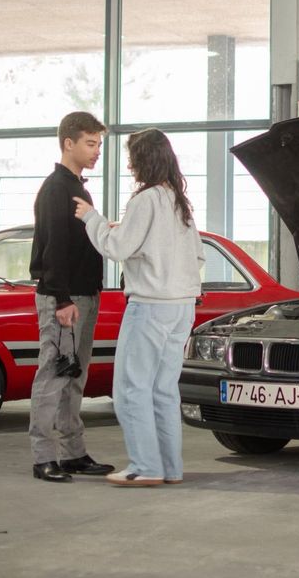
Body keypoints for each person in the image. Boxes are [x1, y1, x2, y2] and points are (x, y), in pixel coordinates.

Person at [74, 128, 204, 487]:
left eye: (132, 156)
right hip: (182, 308)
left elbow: (117, 248)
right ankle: (169, 468)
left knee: (131, 388)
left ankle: (144, 467)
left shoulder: (144, 201)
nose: (129, 163)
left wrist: (92, 218)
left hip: (149, 306)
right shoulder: (179, 202)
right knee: (164, 390)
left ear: (141, 160)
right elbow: (197, 254)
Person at [28, 111, 114, 483]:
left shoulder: (80, 188)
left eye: (98, 144)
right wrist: (62, 300)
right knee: (53, 376)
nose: (97, 152)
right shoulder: (56, 189)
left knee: (74, 376)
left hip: (84, 295)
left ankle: (73, 453)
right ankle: (43, 457)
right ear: (69, 143)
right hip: (63, 298)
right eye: (90, 144)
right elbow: (52, 251)